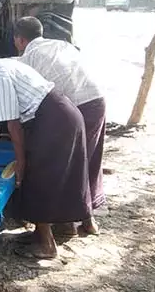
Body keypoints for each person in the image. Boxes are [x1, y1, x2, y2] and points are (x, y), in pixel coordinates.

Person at [0, 40, 91, 259]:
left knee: (36, 175)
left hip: (54, 118)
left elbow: (13, 123)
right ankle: (64, 227)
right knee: (59, 173)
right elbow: (13, 108)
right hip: (60, 113)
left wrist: (21, 162)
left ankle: (47, 245)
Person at [13, 16, 105, 236]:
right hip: (96, 100)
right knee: (87, 160)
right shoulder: (62, 44)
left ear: (20, 40)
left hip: (72, 108)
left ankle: (59, 225)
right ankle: (86, 221)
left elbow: (25, 98)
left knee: (55, 166)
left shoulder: (29, 56)